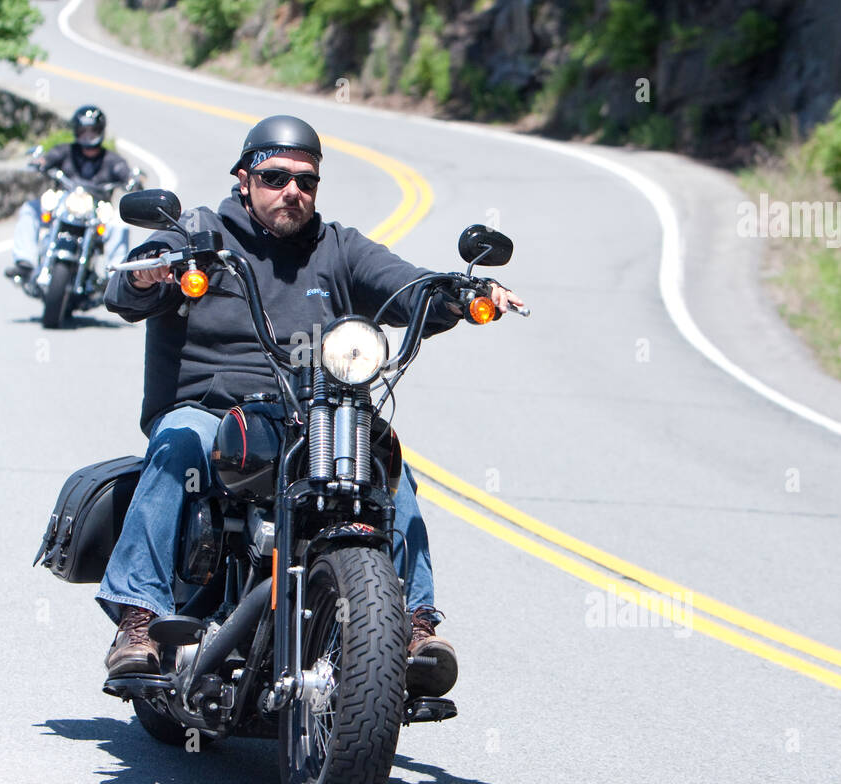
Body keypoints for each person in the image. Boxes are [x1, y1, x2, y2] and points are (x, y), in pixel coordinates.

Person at [96, 115, 525, 699]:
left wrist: (460, 291)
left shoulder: (339, 248)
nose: (292, 191)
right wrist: (150, 271)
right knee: (177, 444)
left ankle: (414, 626)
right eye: (275, 176)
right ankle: (139, 621)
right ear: (244, 179)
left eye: (306, 180)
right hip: (214, 410)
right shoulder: (201, 233)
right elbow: (128, 286)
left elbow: (406, 284)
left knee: (389, 469)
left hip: (317, 416)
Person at [6, 104, 135, 284]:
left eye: (92, 131)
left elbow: (126, 173)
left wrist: (132, 181)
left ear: (100, 131)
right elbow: (48, 158)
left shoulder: (112, 160)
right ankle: (24, 262)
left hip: (97, 209)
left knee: (119, 225)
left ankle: (115, 278)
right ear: (76, 131)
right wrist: (40, 162)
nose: (88, 136)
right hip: (63, 203)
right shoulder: (65, 151)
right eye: (83, 131)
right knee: (30, 209)